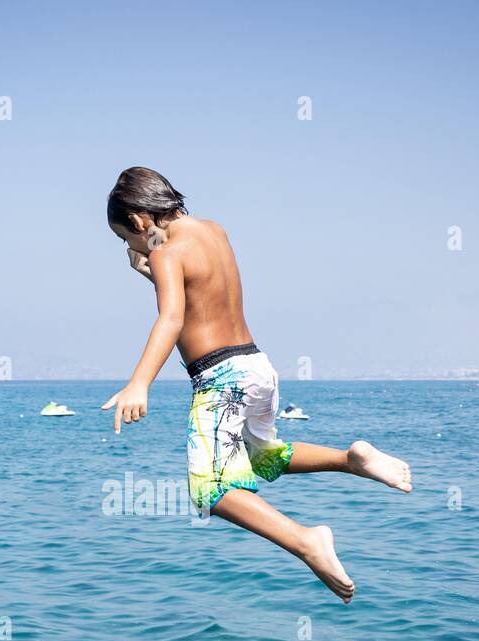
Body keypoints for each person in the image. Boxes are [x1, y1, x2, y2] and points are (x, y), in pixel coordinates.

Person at [103, 167, 412, 602]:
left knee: (208, 489)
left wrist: (139, 383)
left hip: (220, 378)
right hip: (256, 367)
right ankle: (352, 459)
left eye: (125, 239)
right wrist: (148, 265)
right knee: (261, 456)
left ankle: (306, 541)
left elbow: (172, 317)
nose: (130, 249)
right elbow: (199, 293)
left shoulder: (166, 253)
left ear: (138, 221)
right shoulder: (213, 231)